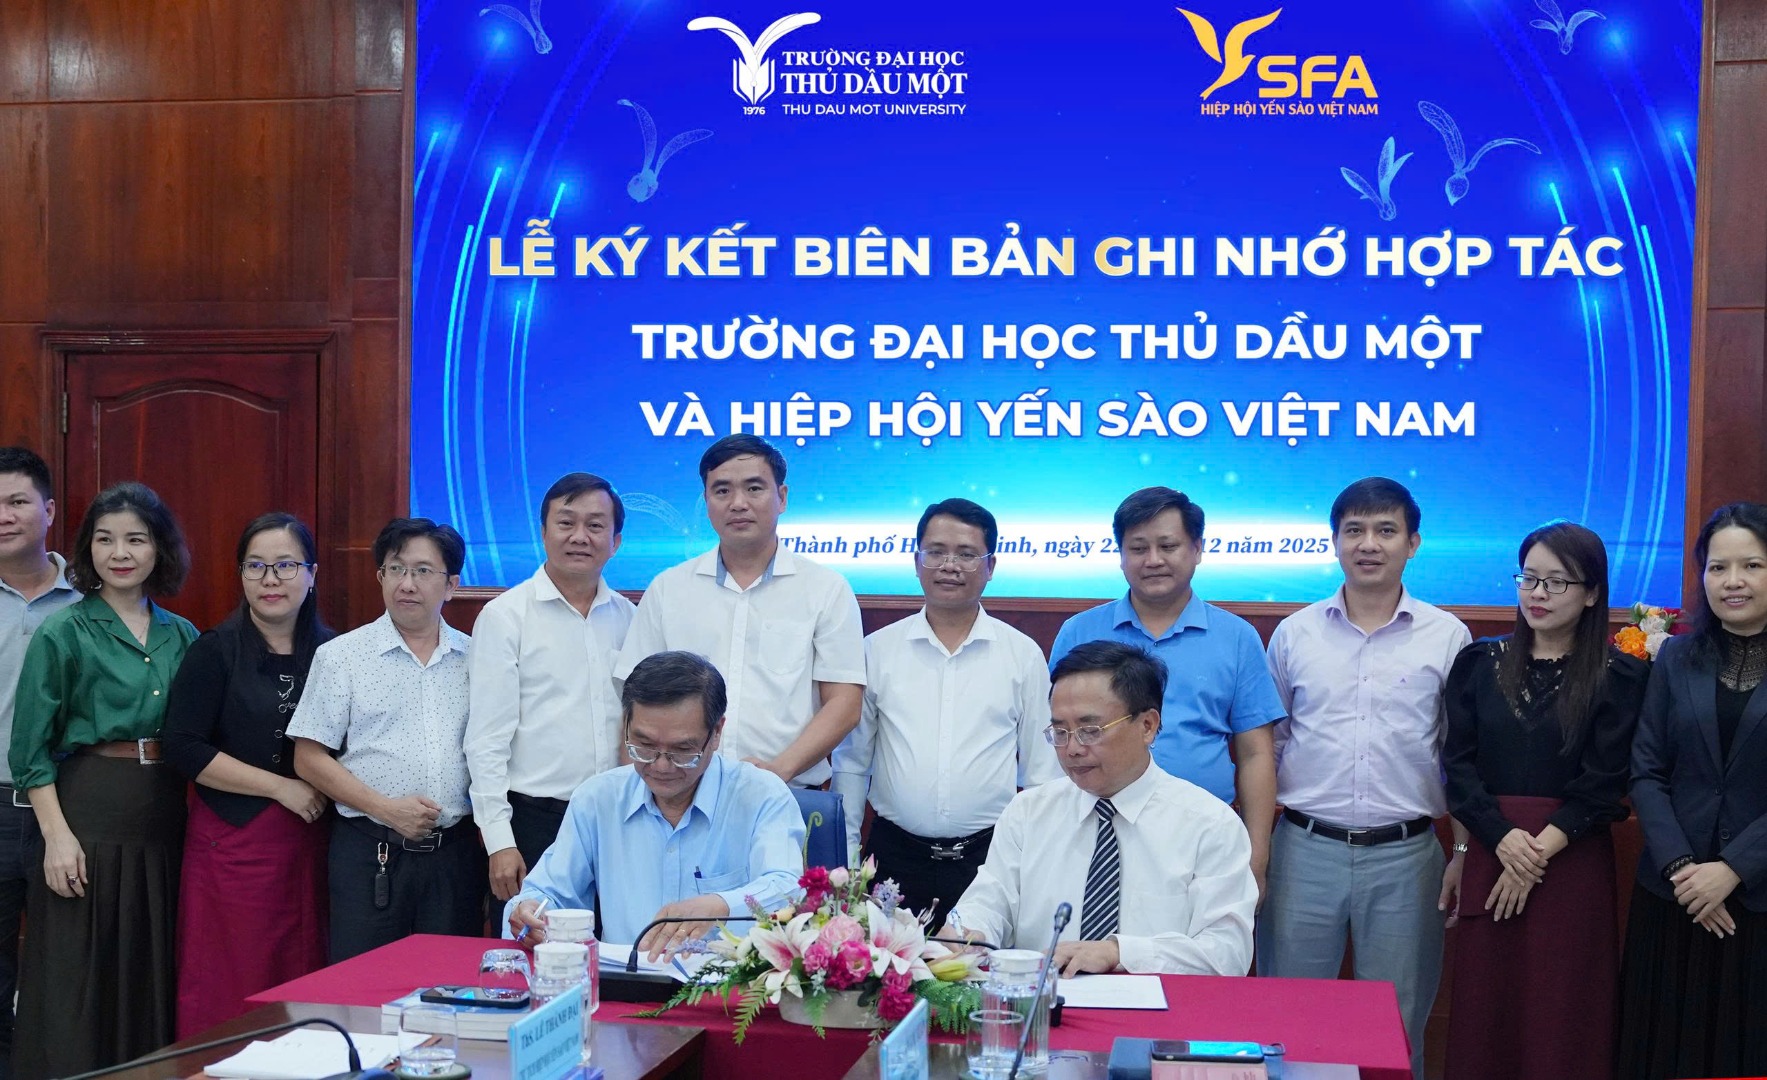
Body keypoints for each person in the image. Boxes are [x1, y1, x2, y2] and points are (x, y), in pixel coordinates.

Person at [1259, 477, 1471, 1080]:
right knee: (1287, 1024)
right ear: (1334, 541)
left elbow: (1459, 755)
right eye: (1354, 530)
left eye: (1385, 530)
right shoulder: (1295, 633)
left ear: (1413, 543)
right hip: (1304, 851)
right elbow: (1268, 747)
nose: (1368, 544)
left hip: (1407, 857)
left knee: (1396, 1032)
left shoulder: (1447, 636)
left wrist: (1461, 851)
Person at [1441, 521, 1647, 1080]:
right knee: (1487, 1010)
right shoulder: (1479, 664)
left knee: (1563, 1012)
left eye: (1557, 582)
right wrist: (1502, 841)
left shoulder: (1621, 676)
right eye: (1529, 578)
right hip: (1493, 851)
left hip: (1571, 861)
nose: (1538, 594)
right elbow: (1458, 768)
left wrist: (1533, 857)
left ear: (1592, 593)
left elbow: (1605, 781)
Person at [8, 481, 197, 1077]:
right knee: (79, 974)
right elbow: (29, 750)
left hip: (163, 822)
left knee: (147, 968)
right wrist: (57, 838)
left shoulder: (182, 634)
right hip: (86, 818)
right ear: (88, 547)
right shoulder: (63, 631)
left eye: (135, 539)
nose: (120, 553)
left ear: (158, 548)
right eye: (105, 539)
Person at [945, 641, 1257, 977]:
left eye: (1089, 731)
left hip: (1158, 1006)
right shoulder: (1028, 812)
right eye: (1060, 732)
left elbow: (1227, 954)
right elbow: (989, 901)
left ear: (1148, 726)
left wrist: (1120, 953)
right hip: (1043, 1000)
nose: (1072, 749)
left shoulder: (1209, 823)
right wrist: (969, 932)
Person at [831, 498, 1059, 926]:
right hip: (893, 856)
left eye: (967, 554)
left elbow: (1042, 775)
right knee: (880, 967)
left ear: (991, 566)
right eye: (935, 552)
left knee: (980, 966)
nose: (949, 566)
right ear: (916, 561)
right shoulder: (876, 651)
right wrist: (845, 861)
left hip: (989, 859)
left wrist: (1037, 861)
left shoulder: (1022, 655)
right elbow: (852, 764)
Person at [1049, 487, 1282, 897]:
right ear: (1121, 555)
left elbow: (1255, 754)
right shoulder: (1079, 632)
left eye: (1168, 546)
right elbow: (1059, 736)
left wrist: (1256, 856)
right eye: (1138, 548)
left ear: (1197, 549)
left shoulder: (1237, 637)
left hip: (1204, 836)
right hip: (1095, 832)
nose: (1153, 560)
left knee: (1201, 937)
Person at [506, 651, 805, 959]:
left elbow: (788, 888)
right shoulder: (598, 799)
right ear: (626, 726)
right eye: (645, 746)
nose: (661, 766)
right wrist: (527, 910)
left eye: (682, 750)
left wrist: (720, 905)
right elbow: (548, 891)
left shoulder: (761, 795)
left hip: (729, 984)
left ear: (716, 732)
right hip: (623, 980)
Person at [163, 513, 336, 1038]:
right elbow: (183, 746)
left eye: (286, 565)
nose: (270, 579)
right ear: (240, 575)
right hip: (232, 844)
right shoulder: (214, 650)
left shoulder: (336, 654)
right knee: (229, 978)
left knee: (305, 972)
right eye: (256, 566)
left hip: (313, 845)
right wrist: (280, 787)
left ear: (312, 574)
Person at [614, 435, 865, 787]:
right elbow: (634, 701)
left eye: (754, 488)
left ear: (782, 497)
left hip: (786, 790)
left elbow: (844, 704)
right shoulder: (668, 589)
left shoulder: (826, 589)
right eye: (722, 491)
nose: (738, 503)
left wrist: (778, 771)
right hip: (678, 792)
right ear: (706, 501)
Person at [1618, 502, 1767, 1079]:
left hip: (1755, 898)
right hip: (1673, 896)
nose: (1733, 581)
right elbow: (1646, 770)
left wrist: (1732, 868)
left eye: (1752, 565)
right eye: (1718, 567)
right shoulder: (1677, 657)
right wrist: (1683, 869)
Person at [290, 517, 483, 961]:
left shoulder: (476, 657)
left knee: (449, 984)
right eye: (395, 569)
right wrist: (386, 809)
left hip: (454, 856)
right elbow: (308, 757)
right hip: (370, 851)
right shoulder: (341, 656)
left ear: (451, 585)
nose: (406, 583)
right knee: (366, 988)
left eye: (422, 571)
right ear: (380, 577)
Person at [466, 473, 636, 905]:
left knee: (616, 940)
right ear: (543, 532)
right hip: (534, 821)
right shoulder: (506, 617)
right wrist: (499, 840)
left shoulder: (630, 618)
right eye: (566, 523)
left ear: (615, 541)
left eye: (595, 525)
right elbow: (486, 739)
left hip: (617, 817)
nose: (580, 536)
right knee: (534, 941)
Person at [0, 448, 80, 1078]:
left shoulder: (91, 600)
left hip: (71, 810)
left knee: (67, 969)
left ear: (49, 510)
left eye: (17, 501)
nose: (4, 515)